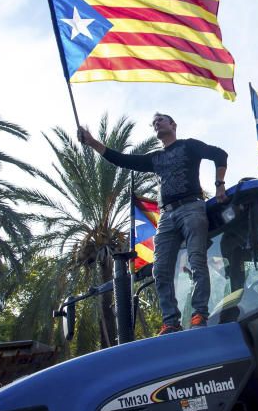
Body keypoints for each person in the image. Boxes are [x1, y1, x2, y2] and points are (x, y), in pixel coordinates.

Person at [79, 113, 228, 335]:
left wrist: (219, 186)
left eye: (161, 120)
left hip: (192, 208)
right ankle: (171, 321)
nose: (157, 124)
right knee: (160, 269)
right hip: (166, 216)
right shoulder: (155, 158)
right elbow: (122, 160)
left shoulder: (189, 146)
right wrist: (91, 142)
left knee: (197, 259)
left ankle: (199, 313)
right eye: (154, 123)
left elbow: (220, 154)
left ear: (173, 125)